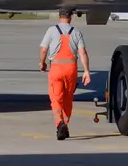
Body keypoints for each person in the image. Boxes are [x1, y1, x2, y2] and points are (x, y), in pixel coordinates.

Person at [39, 8, 91, 140]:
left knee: (56, 99)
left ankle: (60, 123)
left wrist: (42, 63)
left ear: (59, 16)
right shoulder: (77, 33)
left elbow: (44, 49)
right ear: (71, 17)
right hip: (71, 69)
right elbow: (83, 53)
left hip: (56, 68)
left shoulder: (51, 31)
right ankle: (66, 125)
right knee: (68, 99)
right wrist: (86, 71)